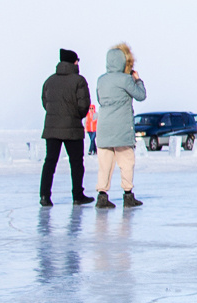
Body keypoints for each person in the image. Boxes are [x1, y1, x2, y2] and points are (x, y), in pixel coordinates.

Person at [93, 44, 146, 209]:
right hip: (122, 129)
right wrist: (138, 80)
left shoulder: (101, 80)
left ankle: (102, 196)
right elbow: (141, 96)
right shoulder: (126, 80)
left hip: (104, 128)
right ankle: (128, 195)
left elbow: (100, 99)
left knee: (104, 165)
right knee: (126, 162)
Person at [40, 49, 94, 207]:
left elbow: (45, 103)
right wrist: (75, 115)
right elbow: (84, 105)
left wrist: (55, 114)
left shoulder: (49, 81)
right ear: (74, 62)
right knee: (76, 163)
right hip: (72, 128)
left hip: (52, 128)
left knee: (50, 162)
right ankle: (77, 196)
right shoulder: (79, 81)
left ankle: (44, 196)